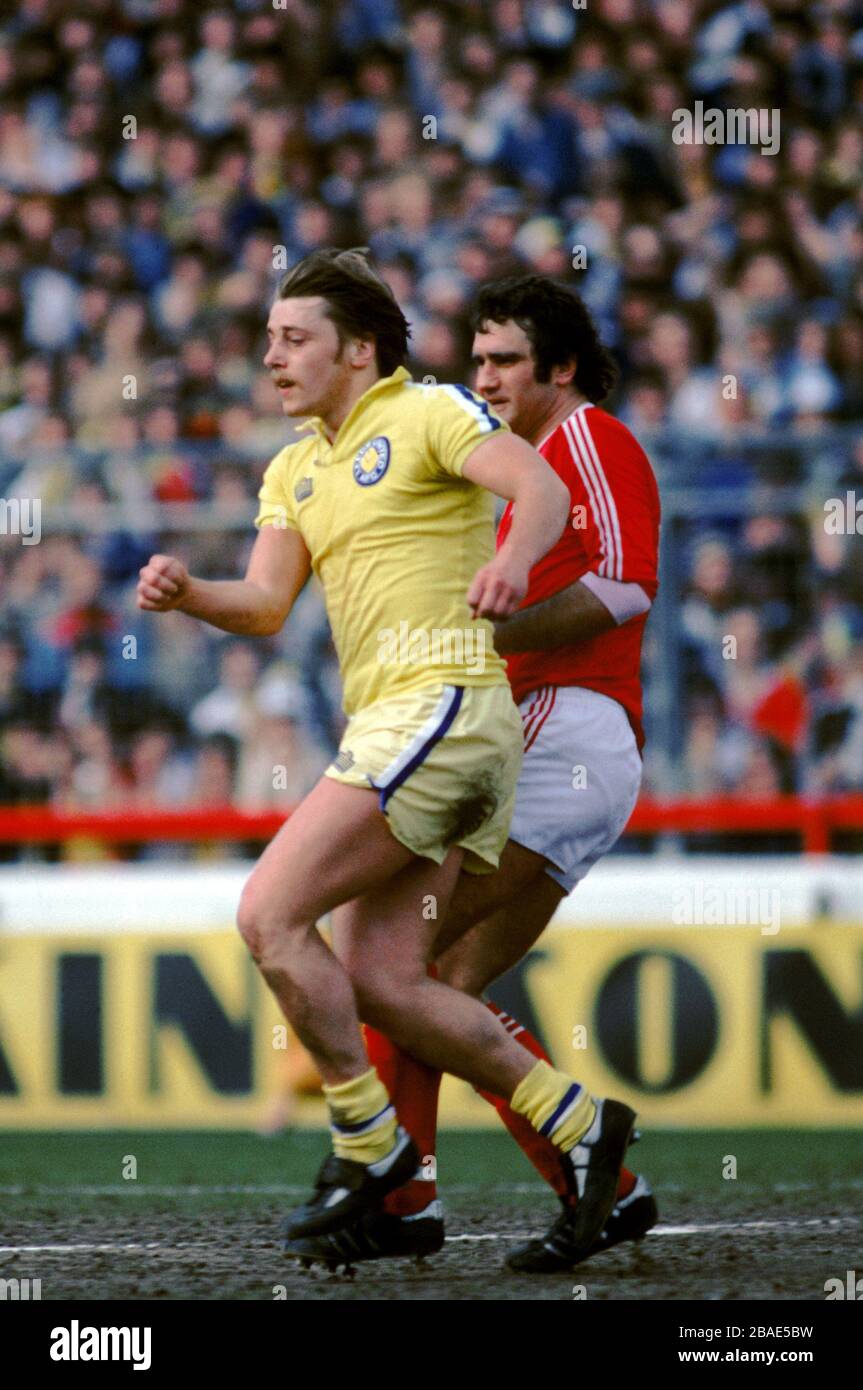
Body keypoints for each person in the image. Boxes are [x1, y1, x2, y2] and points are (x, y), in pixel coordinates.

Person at [137, 250, 637, 1256]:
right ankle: (578, 1128)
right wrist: (193, 595)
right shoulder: (293, 468)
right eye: (269, 338)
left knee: (268, 911)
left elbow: (534, 487)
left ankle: (371, 1147)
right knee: (390, 980)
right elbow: (268, 602)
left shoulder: (425, 411)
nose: (270, 356)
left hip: (442, 709)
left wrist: (508, 562)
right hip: (402, 726)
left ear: (358, 349)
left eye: (293, 339)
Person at [287, 274, 661, 1273]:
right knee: (433, 978)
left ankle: (405, 1188)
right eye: (478, 358)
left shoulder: (586, 441)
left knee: (391, 968)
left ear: (561, 366)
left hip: (563, 725)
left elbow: (624, 587)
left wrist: (489, 638)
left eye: (503, 360)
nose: (483, 376)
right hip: (570, 735)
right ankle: (594, 1184)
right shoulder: (514, 460)